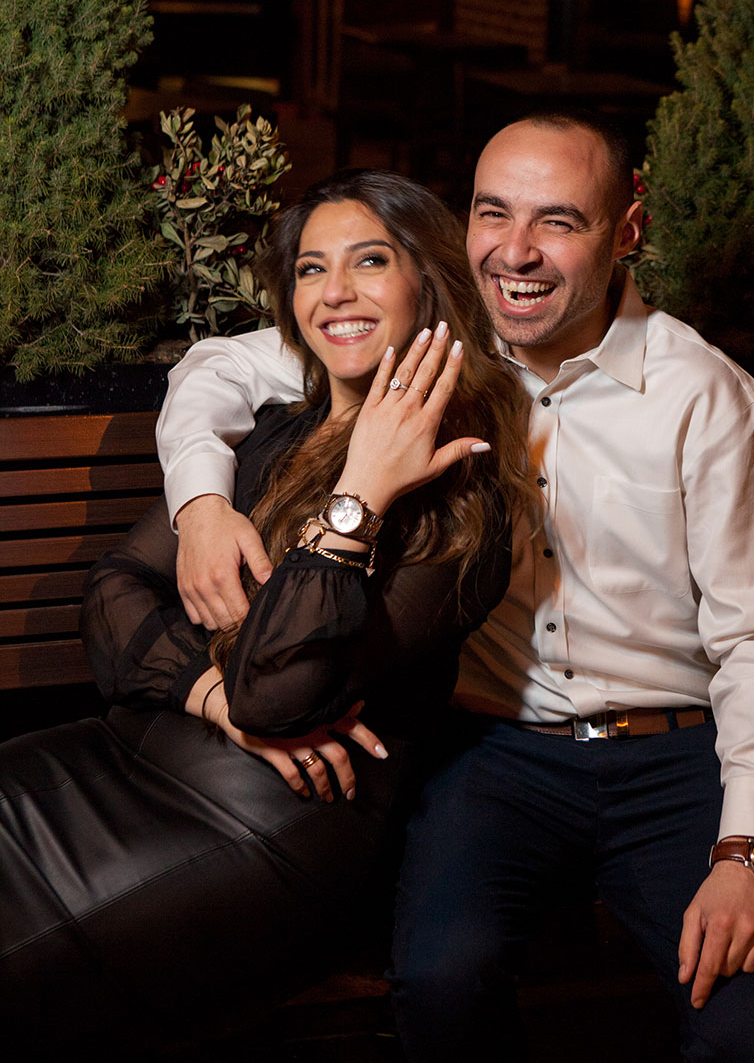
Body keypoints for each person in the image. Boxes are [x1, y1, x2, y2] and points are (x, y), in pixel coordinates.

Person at [154, 116, 754, 1062]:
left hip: (680, 760)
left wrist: (747, 852)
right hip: (493, 755)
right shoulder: (433, 347)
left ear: (627, 229)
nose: (516, 252)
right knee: (438, 981)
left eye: (559, 222)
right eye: (492, 213)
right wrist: (201, 505)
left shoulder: (705, 395)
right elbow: (220, 363)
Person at [0, 170, 532, 1054]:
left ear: (428, 285)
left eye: (370, 262)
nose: (336, 293)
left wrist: (360, 494)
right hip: (112, 760)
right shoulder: (281, 427)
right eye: (312, 270)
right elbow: (113, 592)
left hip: (251, 834)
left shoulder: (463, 500)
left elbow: (277, 698)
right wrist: (210, 696)